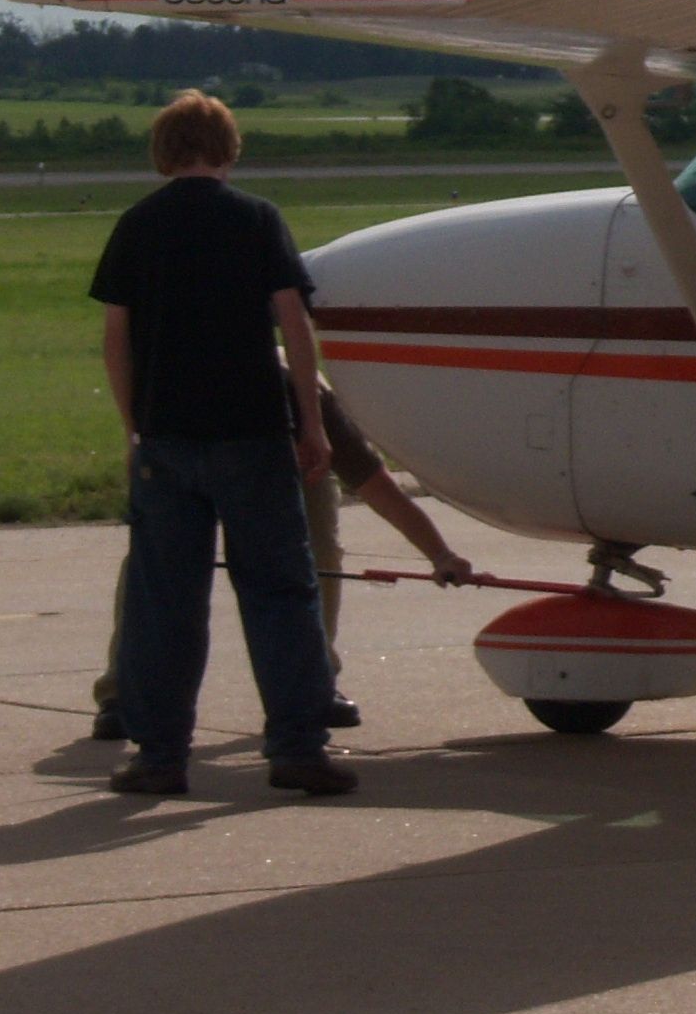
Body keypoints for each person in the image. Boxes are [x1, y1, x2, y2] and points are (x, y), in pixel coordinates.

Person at [92, 92, 352, 797]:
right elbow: (293, 324)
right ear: (229, 149)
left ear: (163, 152)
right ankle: (297, 745)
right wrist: (311, 417)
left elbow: (116, 338)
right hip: (252, 434)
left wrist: (133, 427)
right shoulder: (257, 219)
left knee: (166, 600)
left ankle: (160, 754)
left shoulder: (138, 225)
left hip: (167, 437)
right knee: (280, 592)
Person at [91, 378, 476, 739]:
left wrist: (441, 555)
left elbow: (378, 488)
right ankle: (124, 690)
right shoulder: (185, 400)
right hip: (190, 438)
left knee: (316, 548)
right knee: (154, 557)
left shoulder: (308, 410)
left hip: (297, 432)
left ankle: (315, 681)